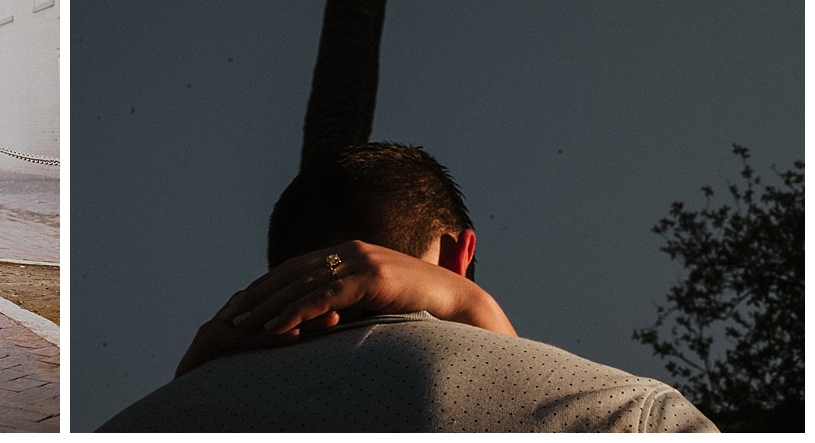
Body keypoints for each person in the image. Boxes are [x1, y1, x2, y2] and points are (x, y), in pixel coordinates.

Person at [98, 143, 716, 432]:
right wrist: (477, 310)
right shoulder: (622, 414)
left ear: (283, 272)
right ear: (459, 251)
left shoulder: (144, 420)